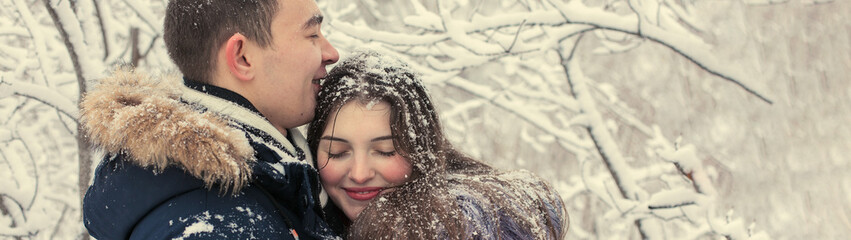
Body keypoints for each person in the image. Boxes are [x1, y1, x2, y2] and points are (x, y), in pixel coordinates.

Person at [80, 0, 339, 239]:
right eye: (312, 35)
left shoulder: (261, 186)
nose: (331, 53)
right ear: (242, 57)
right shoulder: (222, 226)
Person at [306, 49, 569, 239]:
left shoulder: (462, 227)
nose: (360, 174)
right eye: (338, 153)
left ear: (422, 149)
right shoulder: (308, 216)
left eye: (385, 152)